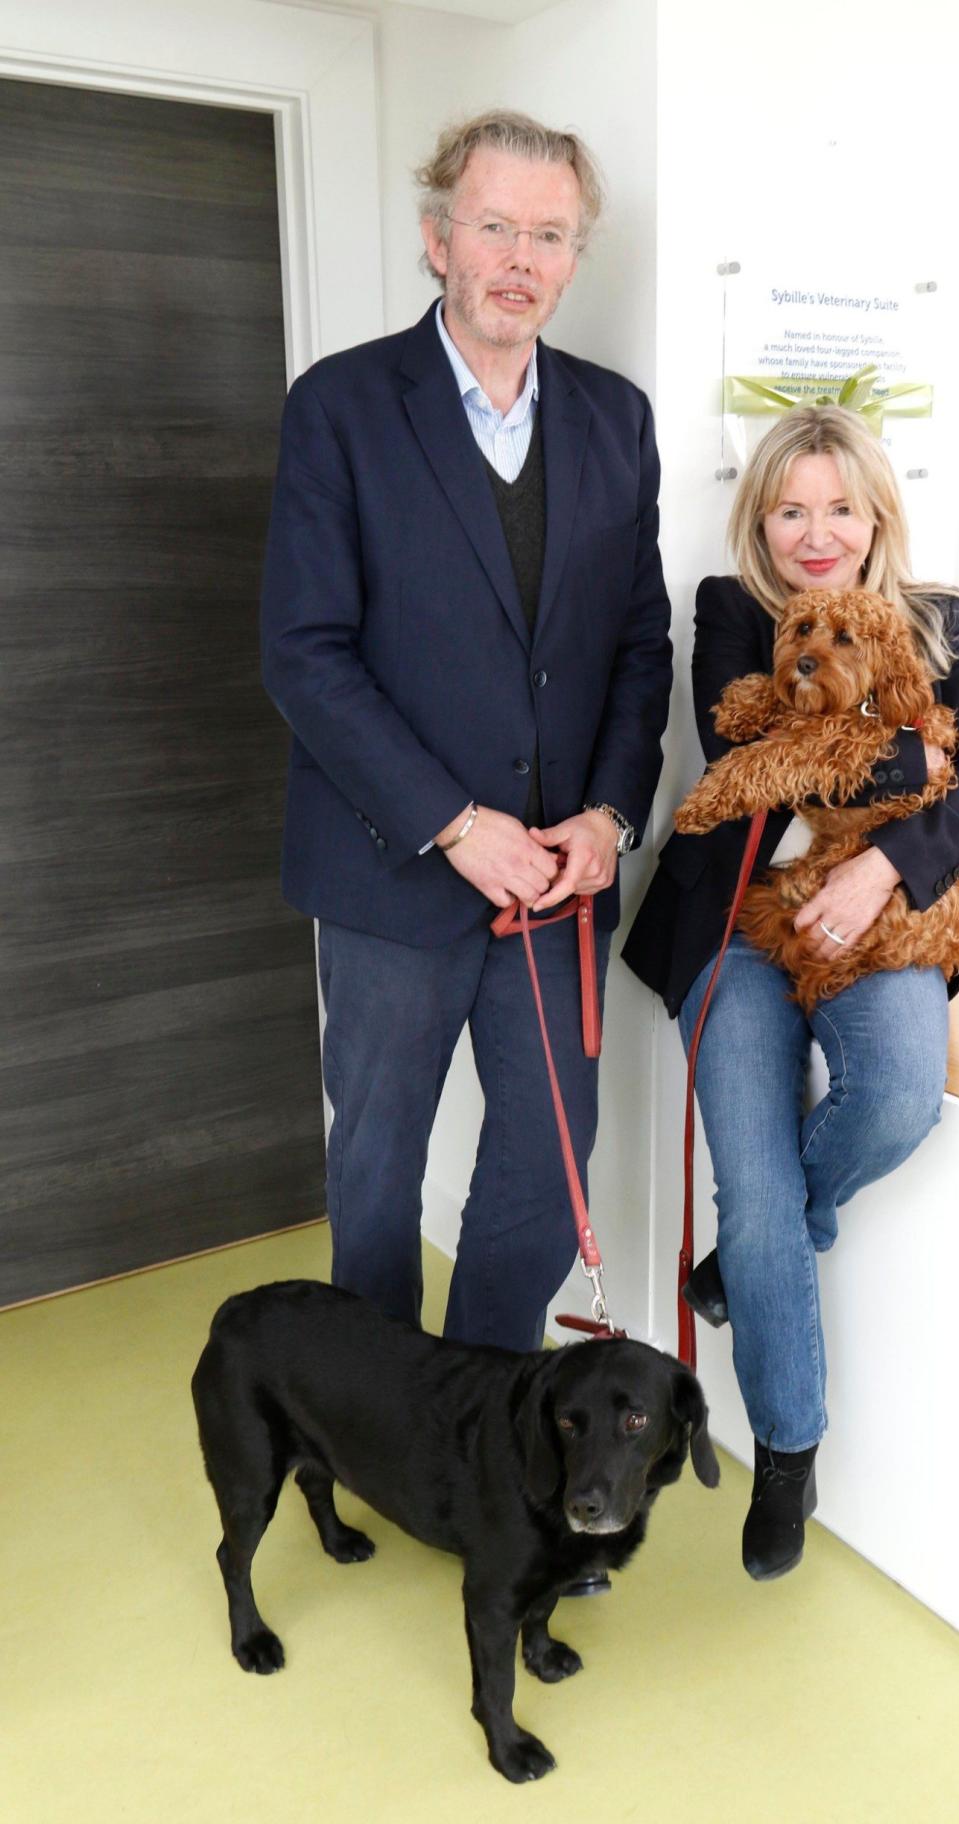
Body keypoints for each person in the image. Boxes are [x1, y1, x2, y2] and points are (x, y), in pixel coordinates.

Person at [261, 112, 672, 1357]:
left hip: (559, 885)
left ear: (572, 258)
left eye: (549, 235)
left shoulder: (617, 419)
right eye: (494, 225)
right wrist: (453, 824)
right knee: (377, 1175)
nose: (519, 257)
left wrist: (607, 817)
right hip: (393, 879)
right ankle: (373, 1419)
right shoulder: (340, 407)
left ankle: (487, 1420)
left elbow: (639, 646)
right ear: (439, 239)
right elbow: (305, 653)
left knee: (548, 1169)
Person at [622, 405, 959, 1581]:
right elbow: (746, 772)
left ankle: (765, 1243)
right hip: (740, 928)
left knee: (899, 1096)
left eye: (840, 507)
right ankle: (789, 1456)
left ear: (877, 512)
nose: (815, 533)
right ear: (761, 518)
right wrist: (912, 765)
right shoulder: (729, 609)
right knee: (752, 1185)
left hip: (881, 917)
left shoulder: (934, 619)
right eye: (791, 508)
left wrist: (890, 860)